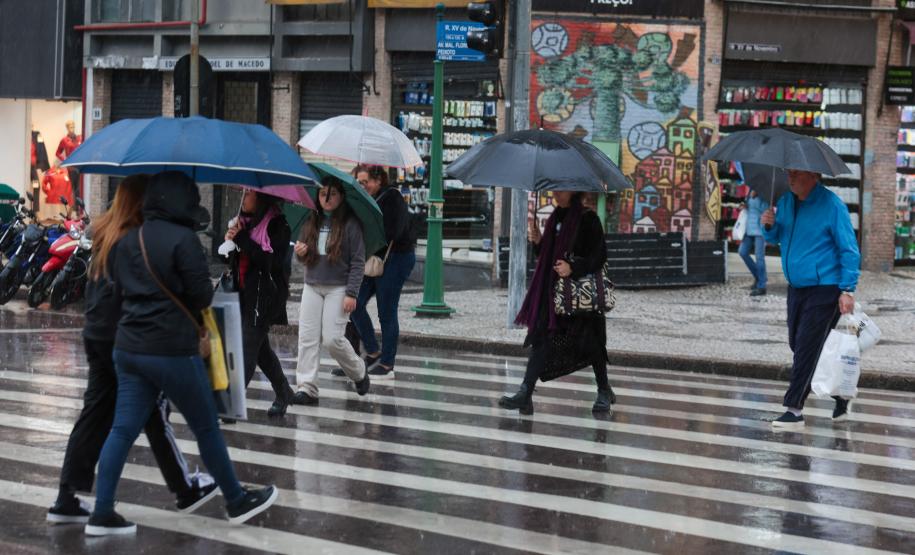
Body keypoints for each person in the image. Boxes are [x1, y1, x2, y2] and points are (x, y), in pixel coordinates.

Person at [86, 171, 277, 535]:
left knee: (122, 430)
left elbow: (118, 290)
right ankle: (236, 499)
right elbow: (202, 296)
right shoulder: (183, 239)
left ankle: (102, 512)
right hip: (171, 349)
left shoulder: (128, 238)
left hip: (128, 349)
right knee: (205, 427)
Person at [47, 174, 216, 525]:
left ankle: (67, 495)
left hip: (96, 332)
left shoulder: (103, 231)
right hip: (128, 336)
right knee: (154, 414)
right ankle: (184, 488)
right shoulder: (136, 237)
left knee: (95, 414)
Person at [761, 169, 860, 429]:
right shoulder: (786, 202)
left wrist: (847, 289)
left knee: (806, 346)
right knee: (799, 344)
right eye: (790, 173)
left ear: (814, 175)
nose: (791, 178)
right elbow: (777, 237)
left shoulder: (832, 206)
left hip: (825, 287)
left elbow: (849, 249)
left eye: (797, 173)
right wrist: (769, 225)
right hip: (797, 286)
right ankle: (841, 393)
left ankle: (794, 410)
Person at [499, 191, 614, 415]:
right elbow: (549, 256)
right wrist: (539, 242)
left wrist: (573, 267)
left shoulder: (589, 219)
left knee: (592, 343)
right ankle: (525, 393)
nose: (556, 193)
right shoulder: (555, 218)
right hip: (552, 293)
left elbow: (599, 256)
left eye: (561, 189)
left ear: (574, 191)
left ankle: (603, 390)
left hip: (579, 296)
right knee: (540, 339)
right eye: (555, 189)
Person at [291, 176, 371, 404]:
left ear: (341, 197)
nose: (326, 198)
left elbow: (358, 261)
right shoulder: (311, 220)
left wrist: (352, 293)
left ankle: (358, 371)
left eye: (332, 193)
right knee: (307, 338)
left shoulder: (351, 224)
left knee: (332, 339)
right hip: (312, 285)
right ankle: (307, 388)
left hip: (339, 288)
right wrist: (301, 252)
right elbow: (303, 256)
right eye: (323, 193)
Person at [223, 190, 295, 417]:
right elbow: (230, 261)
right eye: (243, 192)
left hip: (264, 298)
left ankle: (230, 404)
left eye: (249, 193)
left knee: (246, 350)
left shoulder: (278, 225)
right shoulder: (244, 224)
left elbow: (270, 262)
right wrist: (229, 243)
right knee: (260, 350)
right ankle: (284, 391)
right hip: (244, 294)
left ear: (262, 197)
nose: (243, 197)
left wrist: (242, 239)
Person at [347, 165, 416, 379]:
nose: (362, 186)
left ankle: (387, 363)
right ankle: (372, 351)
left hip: (395, 258)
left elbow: (394, 231)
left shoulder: (392, 197)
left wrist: (368, 224)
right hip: (372, 259)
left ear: (378, 181)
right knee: (353, 303)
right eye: (358, 182)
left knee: (386, 311)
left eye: (365, 181)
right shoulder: (363, 199)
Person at [739, 190, 770, 296]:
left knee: (759, 257)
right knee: (742, 252)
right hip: (748, 228)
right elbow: (749, 207)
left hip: (760, 230)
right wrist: (745, 206)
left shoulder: (765, 194)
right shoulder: (750, 191)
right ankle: (759, 277)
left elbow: (766, 210)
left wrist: (758, 195)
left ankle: (762, 286)